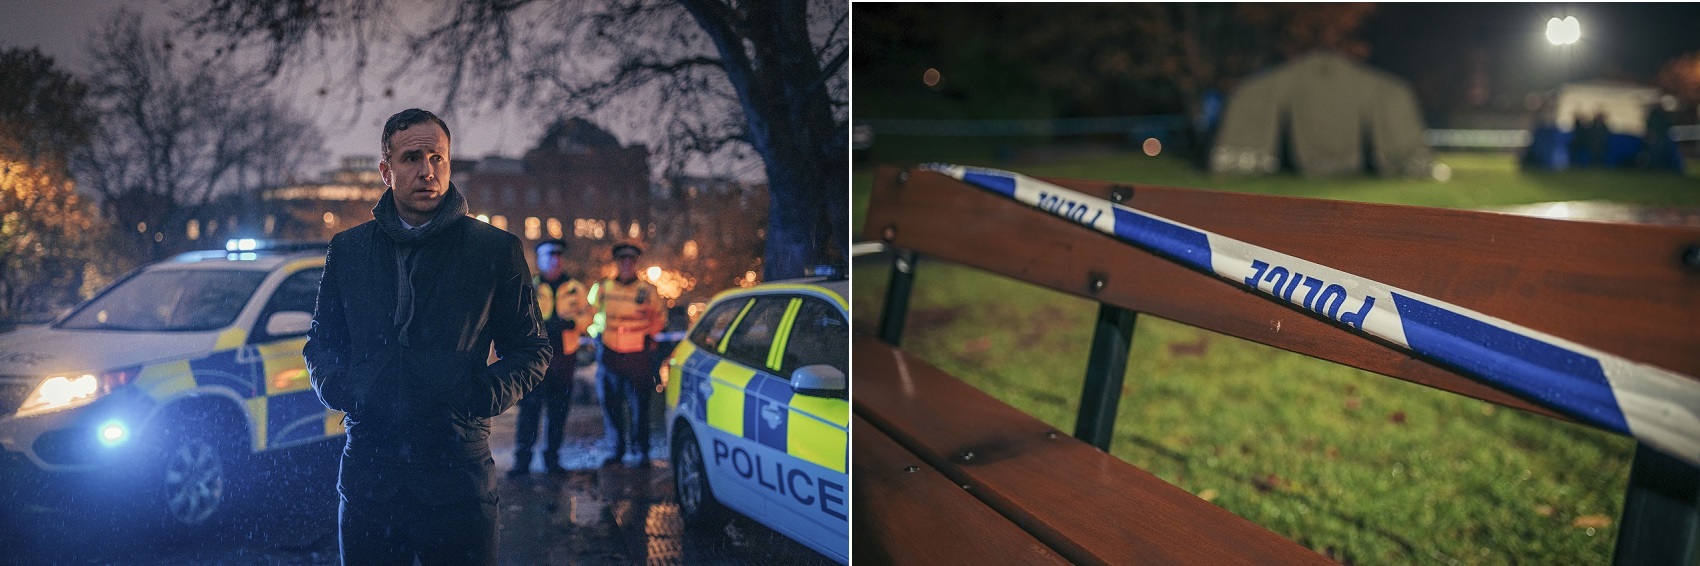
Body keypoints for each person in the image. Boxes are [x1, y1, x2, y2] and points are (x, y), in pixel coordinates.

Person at [304, 108, 551, 565]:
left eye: (437, 157)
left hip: (457, 471)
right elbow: (321, 342)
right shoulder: (349, 250)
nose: (427, 170)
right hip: (371, 474)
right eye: (412, 157)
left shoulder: (493, 250)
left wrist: (481, 395)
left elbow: (532, 349)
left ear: (450, 164)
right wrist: (345, 389)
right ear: (386, 170)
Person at [509, 238, 591, 477]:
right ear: (540, 261)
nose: (554, 261)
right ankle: (522, 461)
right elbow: (518, 315)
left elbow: (589, 315)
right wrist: (540, 326)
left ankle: (552, 459)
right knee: (529, 411)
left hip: (564, 356)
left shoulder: (575, 287)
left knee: (558, 411)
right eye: (549, 257)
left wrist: (573, 323)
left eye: (557, 257)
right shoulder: (529, 285)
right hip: (535, 357)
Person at [587, 242, 667, 468]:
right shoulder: (603, 289)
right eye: (622, 261)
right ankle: (616, 449)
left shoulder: (646, 291)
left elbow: (659, 317)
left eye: (630, 261)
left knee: (639, 406)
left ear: (635, 264)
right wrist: (596, 334)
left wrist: (648, 335)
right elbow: (590, 314)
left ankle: (641, 450)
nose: (626, 265)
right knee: (611, 406)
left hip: (637, 357)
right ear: (617, 263)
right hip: (610, 355)